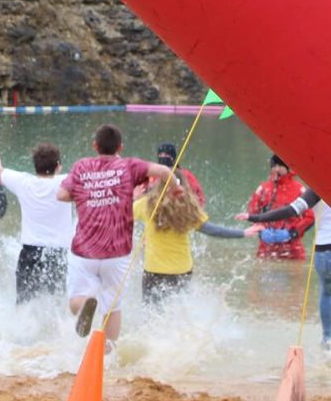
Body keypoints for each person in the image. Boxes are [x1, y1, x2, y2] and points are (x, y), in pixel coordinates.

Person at [56, 123, 176, 343]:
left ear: (95, 146)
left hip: (84, 251)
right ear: (120, 146)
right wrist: (175, 187)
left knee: (75, 299)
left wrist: (89, 194)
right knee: (113, 305)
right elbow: (163, 172)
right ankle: (107, 353)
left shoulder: (82, 167)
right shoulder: (129, 166)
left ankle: (84, 305)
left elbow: (61, 195)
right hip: (117, 253)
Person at [134, 173, 262, 304]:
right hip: (182, 271)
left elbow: (118, 214)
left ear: (159, 185)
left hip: (155, 271)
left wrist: (132, 198)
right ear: (184, 186)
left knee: (152, 317)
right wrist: (242, 233)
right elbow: (213, 230)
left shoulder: (146, 205)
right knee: (179, 313)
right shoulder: (188, 208)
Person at [0, 124, 73, 303]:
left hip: (30, 253)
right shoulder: (65, 182)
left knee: (24, 303)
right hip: (57, 255)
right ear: (58, 166)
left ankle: (21, 330)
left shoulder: (23, 183)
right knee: (55, 304)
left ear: (35, 165)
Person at [239, 187, 331, 353]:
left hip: (323, 252)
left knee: (327, 293)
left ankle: (328, 340)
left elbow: (292, 210)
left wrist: (256, 218)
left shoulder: (318, 185)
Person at [246, 154, 314, 260]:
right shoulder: (263, 189)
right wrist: (261, 231)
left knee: (294, 274)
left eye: (279, 166)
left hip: (292, 251)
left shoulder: (299, 189)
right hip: (266, 250)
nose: (276, 169)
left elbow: (310, 218)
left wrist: (292, 233)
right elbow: (252, 213)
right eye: (274, 166)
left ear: (287, 167)